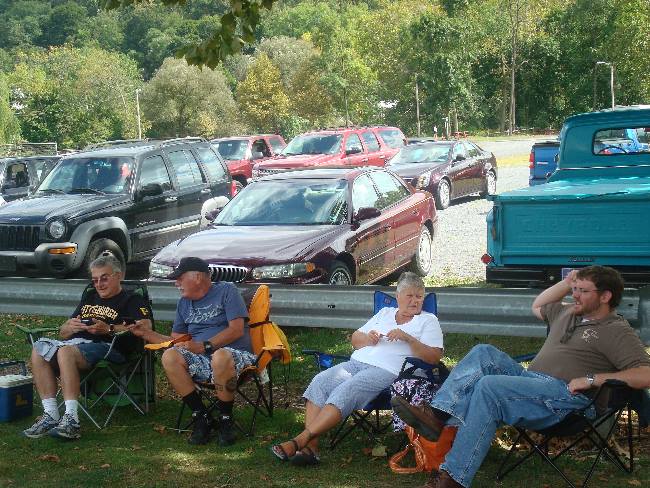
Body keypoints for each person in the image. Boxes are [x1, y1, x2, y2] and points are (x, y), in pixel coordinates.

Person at [392, 265, 650, 488]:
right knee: (483, 352)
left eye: (583, 290)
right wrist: (567, 282)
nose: (575, 294)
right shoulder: (569, 312)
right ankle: (437, 416)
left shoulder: (615, 329)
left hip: (567, 398)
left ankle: (453, 477)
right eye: (575, 289)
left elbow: (645, 373)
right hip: (532, 382)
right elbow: (537, 305)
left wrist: (593, 379)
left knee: (489, 387)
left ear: (605, 296)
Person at [271, 272, 444, 466]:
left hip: (387, 371)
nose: (415, 301)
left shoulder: (428, 320)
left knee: (347, 389)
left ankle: (301, 440)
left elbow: (433, 357)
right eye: (409, 295)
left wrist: (408, 338)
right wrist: (368, 338)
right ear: (398, 297)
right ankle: (311, 448)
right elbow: (355, 339)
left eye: (419, 296)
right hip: (355, 364)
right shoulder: (385, 313)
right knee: (319, 382)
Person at [22, 254, 153, 440]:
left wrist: (109, 328)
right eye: (95, 280)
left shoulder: (132, 299)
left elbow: (146, 327)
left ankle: (71, 421)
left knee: (65, 352)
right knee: (39, 350)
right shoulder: (90, 296)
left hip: (109, 348)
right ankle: (51, 415)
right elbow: (63, 332)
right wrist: (70, 327)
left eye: (104, 278)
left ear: (119, 276)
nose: (99, 284)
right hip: (74, 345)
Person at [129, 256, 254, 446]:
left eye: (180, 278)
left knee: (220, 356)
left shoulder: (227, 291)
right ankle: (202, 416)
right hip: (202, 360)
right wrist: (146, 333)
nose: (176, 283)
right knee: (170, 356)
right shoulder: (184, 303)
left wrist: (205, 346)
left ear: (197, 277)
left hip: (236, 357)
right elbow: (176, 342)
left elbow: (236, 330)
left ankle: (226, 420)